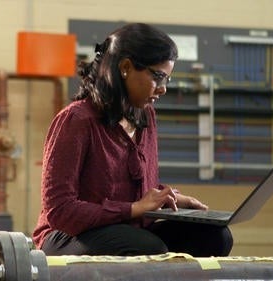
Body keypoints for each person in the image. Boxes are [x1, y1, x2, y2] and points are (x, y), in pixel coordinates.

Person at [32, 23, 233, 257]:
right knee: (146, 248)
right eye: (158, 76)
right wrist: (134, 209)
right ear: (126, 67)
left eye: (167, 78)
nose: (163, 89)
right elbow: (60, 211)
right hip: (67, 234)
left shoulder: (146, 116)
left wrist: (170, 198)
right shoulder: (76, 120)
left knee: (216, 236)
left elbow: (138, 191)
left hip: (130, 230)